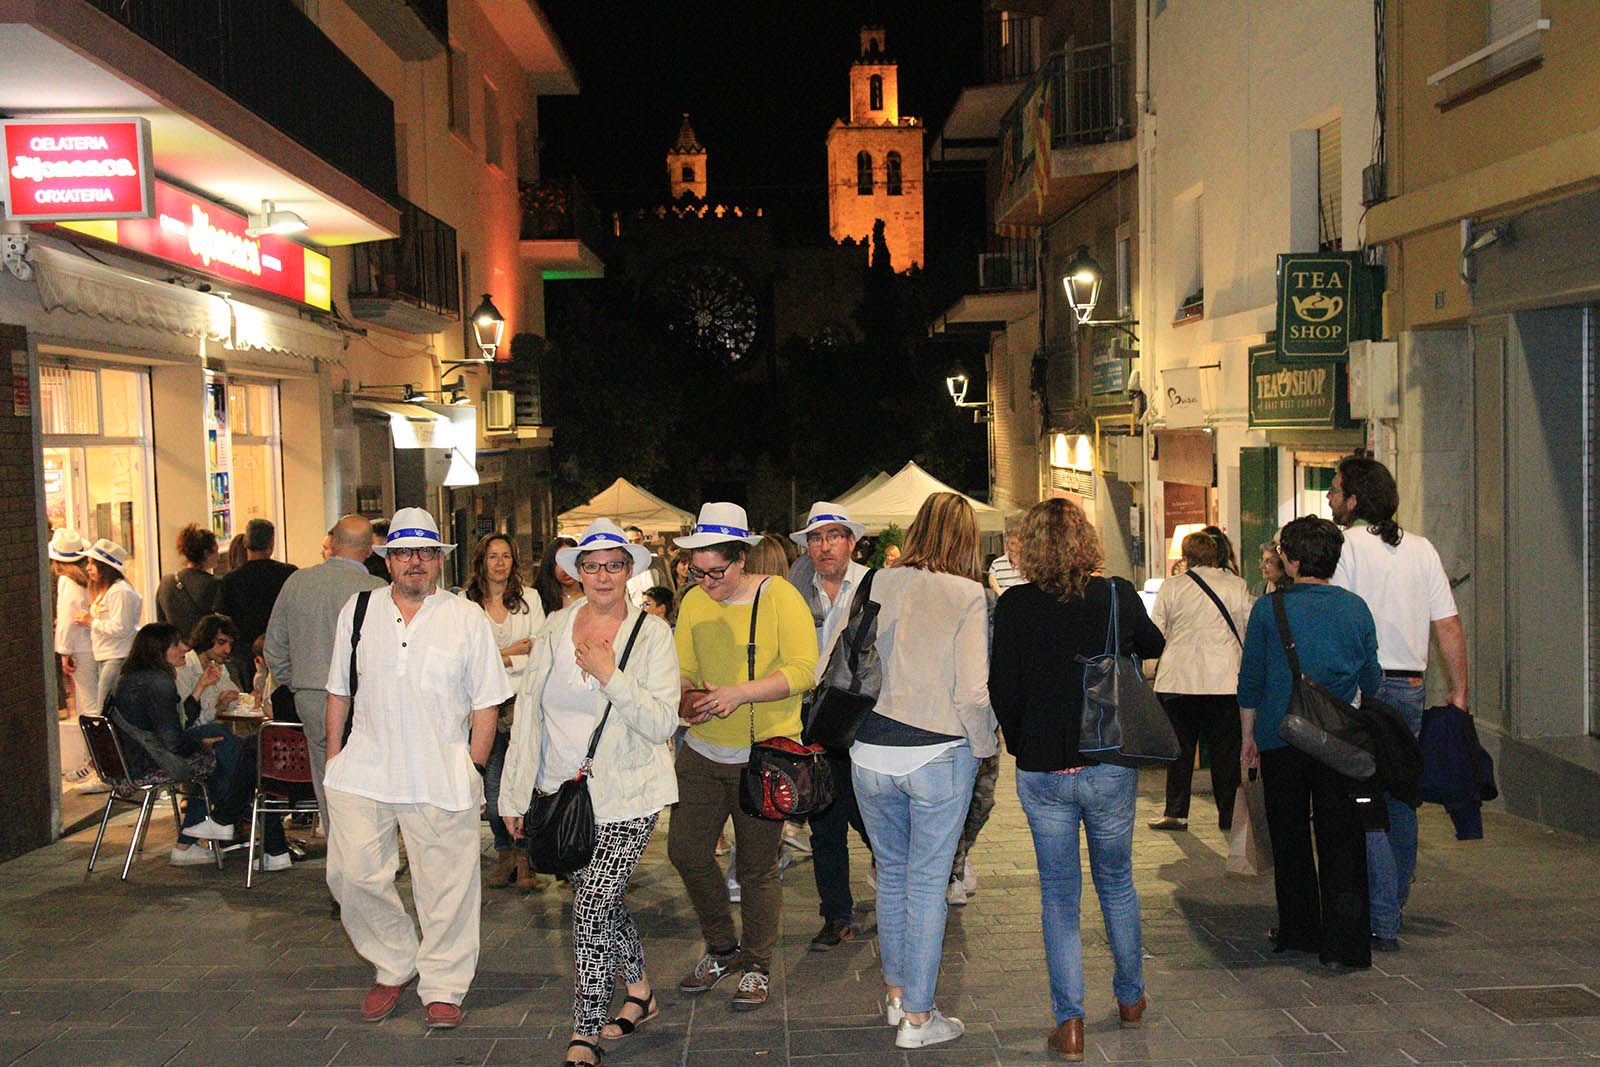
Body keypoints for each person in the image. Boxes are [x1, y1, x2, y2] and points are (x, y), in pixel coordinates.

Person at [499, 519, 679, 1066]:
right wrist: (514, 796)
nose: (602, 575)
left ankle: (585, 1030)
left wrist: (610, 674)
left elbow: (662, 722)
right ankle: (642, 991)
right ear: (576, 572)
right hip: (561, 793)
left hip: (627, 792)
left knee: (593, 903)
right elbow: (529, 716)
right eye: (592, 565)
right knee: (600, 903)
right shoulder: (554, 628)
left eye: (614, 565)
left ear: (630, 571)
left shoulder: (652, 636)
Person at [323, 508, 511, 1030]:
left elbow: (487, 701)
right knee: (350, 874)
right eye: (404, 553)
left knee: (447, 887)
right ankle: (394, 960)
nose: (415, 563)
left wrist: (473, 765)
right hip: (364, 767)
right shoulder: (358, 611)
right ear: (387, 561)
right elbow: (339, 688)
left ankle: (445, 984)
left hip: (439, 769)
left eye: (426, 553)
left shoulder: (465, 616)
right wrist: (333, 758)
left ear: (439, 562)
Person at [990, 497, 1164, 1060]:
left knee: (1059, 897)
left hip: (1044, 768)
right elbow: (1156, 645)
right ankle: (1131, 998)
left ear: (1031, 549)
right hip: (1108, 758)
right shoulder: (1114, 593)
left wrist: (1022, 743)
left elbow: (1003, 688)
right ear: (1086, 541)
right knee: (1117, 881)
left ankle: (1070, 1025)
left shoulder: (1014, 606)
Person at [851, 492, 996, 1049]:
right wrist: (983, 747)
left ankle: (894, 996)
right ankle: (918, 1017)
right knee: (929, 884)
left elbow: (835, 664)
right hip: (938, 752)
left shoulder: (876, 583)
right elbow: (973, 691)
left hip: (869, 751)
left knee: (891, 875)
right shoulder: (967, 595)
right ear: (966, 537)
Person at [669, 503, 818, 1012]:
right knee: (686, 852)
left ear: (742, 559)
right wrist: (689, 699)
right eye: (698, 571)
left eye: (718, 572)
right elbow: (683, 670)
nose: (708, 582)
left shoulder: (780, 597)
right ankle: (721, 946)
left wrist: (740, 693)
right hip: (703, 750)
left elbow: (804, 671)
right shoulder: (692, 601)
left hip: (764, 756)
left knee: (756, 868)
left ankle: (756, 965)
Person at [1328, 456, 1468, 951]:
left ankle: (1381, 912)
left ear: (1355, 499)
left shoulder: (1344, 546)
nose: (1329, 495)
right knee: (1402, 796)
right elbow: (1447, 624)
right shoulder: (1423, 550)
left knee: (1364, 798)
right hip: (1411, 687)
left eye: (1336, 487)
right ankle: (1395, 897)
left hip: (1363, 689)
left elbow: (1339, 619)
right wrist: (1459, 690)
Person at [1238, 515, 1381, 972]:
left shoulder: (1269, 609)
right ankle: (1346, 944)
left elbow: (1251, 681)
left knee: (1290, 837)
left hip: (1282, 737)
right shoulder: (1355, 607)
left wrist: (1247, 737)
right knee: (1342, 838)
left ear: (1292, 560)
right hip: (1338, 739)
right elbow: (1371, 677)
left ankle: (1299, 930)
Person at [110, 623, 289, 866]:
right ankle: (240, 824)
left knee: (227, 751)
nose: (184, 647)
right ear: (158, 649)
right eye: (176, 644)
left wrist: (200, 687)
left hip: (131, 758)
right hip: (146, 762)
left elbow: (176, 724)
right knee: (229, 756)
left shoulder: (131, 678)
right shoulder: (159, 682)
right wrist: (200, 743)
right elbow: (174, 740)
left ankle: (215, 828)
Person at [264, 515, 385, 837]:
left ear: (332, 542)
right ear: (370, 549)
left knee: (327, 776)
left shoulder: (297, 583)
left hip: (312, 696)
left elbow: (273, 648)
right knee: (370, 779)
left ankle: (339, 853)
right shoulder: (376, 590)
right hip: (365, 698)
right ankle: (369, 850)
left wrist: (299, 681)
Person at [788, 502, 874, 951]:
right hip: (811, 717)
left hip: (861, 714)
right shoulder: (794, 591)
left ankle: (897, 886)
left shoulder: (873, 586)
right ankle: (836, 914)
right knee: (824, 819)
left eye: (834, 536)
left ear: (851, 542)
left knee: (869, 814)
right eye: (816, 539)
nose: (824, 546)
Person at [1148, 529, 1252, 832]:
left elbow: (1158, 632)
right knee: (1225, 753)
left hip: (1178, 681)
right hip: (1224, 681)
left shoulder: (1172, 587)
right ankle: (1228, 814)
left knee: (1179, 750)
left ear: (1187, 556)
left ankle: (1176, 812)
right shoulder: (1237, 585)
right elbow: (1245, 629)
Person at [459, 532, 546, 890]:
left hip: (522, 703)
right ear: (481, 560)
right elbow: (464, 659)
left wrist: (496, 659)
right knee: (492, 790)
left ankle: (526, 858)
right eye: (493, 556)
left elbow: (540, 650)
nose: (499, 563)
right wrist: (509, 653)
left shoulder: (530, 600)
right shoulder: (465, 604)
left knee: (523, 784)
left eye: (506, 556)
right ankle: (503, 852)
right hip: (484, 707)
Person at [218, 518, 297, 692]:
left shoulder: (231, 580)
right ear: (271, 544)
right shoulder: (289, 574)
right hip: (282, 650)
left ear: (245, 543)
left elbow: (222, 619)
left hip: (244, 653)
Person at [77, 539, 141, 716]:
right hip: (107, 656)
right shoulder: (109, 591)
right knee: (107, 710)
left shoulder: (121, 592)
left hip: (117, 657)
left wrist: (91, 622)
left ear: (105, 567)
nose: (88, 568)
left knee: (104, 711)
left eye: (92, 563)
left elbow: (121, 628)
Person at [49, 529, 97, 719]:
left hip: (80, 648)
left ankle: (93, 747)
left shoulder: (67, 581)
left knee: (88, 702)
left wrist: (64, 651)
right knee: (94, 697)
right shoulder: (87, 579)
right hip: (94, 644)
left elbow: (69, 620)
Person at [175, 613, 243, 726]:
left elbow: (235, 701)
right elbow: (186, 719)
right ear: (206, 638)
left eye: (230, 644)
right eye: (221, 642)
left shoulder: (219, 666)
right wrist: (218, 709)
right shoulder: (184, 667)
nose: (228, 650)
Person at [156, 523, 220, 642]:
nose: (218, 556)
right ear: (206, 553)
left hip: (175, 648)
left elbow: (161, 620)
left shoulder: (166, 582)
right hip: (203, 648)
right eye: (216, 551)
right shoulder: (214, 584)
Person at [533, 536, 581, 614]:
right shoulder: (538, 600)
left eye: (570, 560)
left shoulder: (594, 597)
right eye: (559, 562)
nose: (566, 569)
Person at [987, 526, 1024, 594]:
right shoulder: (996, 564)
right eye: (1012, 543)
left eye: (1018, 543)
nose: (1016, 547)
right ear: (1007, 545)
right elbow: (992, 587)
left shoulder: (1029, 564)